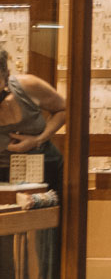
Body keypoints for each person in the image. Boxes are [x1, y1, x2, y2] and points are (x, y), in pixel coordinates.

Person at [0, 49, 67, 199]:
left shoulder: (27, 85)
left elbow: (63, 109)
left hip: (44, 166)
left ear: (5, 74)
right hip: (4, 175)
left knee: (52, 218)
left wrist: (38, 140)